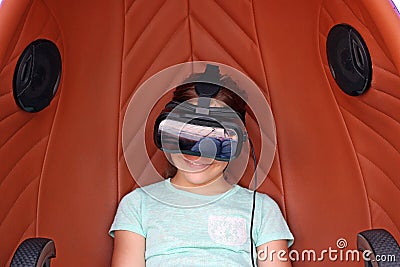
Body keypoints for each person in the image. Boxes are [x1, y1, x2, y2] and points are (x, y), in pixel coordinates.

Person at [109, 73, 294, 266]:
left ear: (236, 144)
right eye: (187, 135)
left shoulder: (263, 209)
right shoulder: (138, 204)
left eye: (216, 140)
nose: (198, 154)